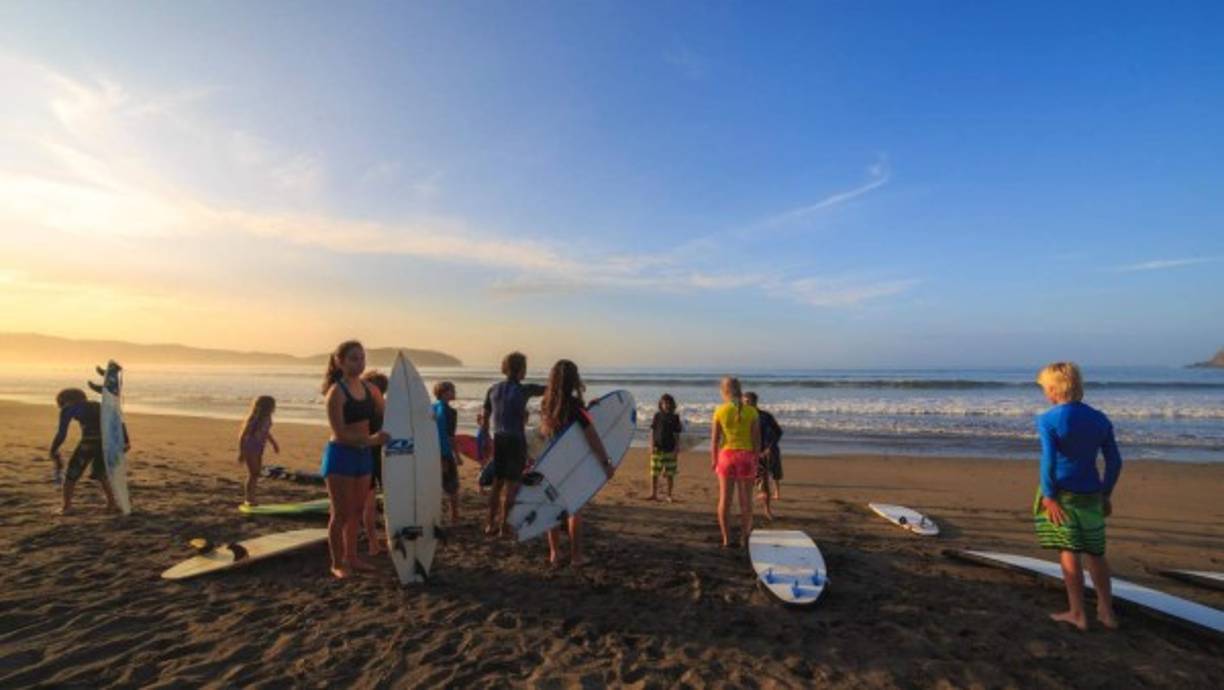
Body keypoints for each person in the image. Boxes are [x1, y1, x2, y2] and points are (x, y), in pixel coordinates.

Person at [1034, 362, 1123, 631]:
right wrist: (1105, 493)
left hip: (1062, 494)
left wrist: (1049, 496)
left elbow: (1048, 462)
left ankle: (1077, 613)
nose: (1044, 393)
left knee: (1069, 550)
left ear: (1053, 389)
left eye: (1045, 388)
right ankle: (1106, 611)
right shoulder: (1100, 419)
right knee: (1096, 553)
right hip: (1092, 493)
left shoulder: (1048, 420)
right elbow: (1115, 462)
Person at [320, 341, 388, 579]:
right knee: (340, 513)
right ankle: (337, 563)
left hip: (363, 456)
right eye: (353, 359)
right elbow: (340, 434)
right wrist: (372, 440)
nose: (359, 363)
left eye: (362, 358)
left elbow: (388, 414)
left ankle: (352, 557)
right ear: (340, 362)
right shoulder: (336, 393)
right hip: (341, 456)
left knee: (357, 511)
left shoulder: (371, 389)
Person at [539, 359, 614, 567]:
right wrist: (606, 462)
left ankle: (554, 554)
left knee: (552, 510)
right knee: (574, 509)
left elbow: (547, 432)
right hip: (571, 465)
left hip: (550, 463)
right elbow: (592, 437)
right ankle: (576, 557)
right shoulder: (575, 406)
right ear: (573, 380)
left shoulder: (546, 404)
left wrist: (588, 409)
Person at [480, 352, 546, 537]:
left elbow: (485, 418)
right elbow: (550, 389)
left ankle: (489, 524)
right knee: (512, 485)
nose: (526, 371)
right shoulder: (524, 390)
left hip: (498, 439)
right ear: (520, 369)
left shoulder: (492, 389)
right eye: (525, 368)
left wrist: (485, 439)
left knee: (497, 483)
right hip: (516, 440)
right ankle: (504, 527)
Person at [50, 388, 126, 515]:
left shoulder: (69, 409)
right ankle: (112, 504)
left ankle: (67, 506)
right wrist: (124, 441)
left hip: (88, 443)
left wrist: (54, 449)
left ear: (66, 401)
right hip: (106, 443)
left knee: (71, 473)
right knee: (101, 473)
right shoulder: (97, 405)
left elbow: (62, 433)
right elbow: (117, 422)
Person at [710, 376, 759, 548]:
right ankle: (744, 538)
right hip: (746, 457)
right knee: (746, 501)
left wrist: (714, 459)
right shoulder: (751, 411)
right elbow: (756, 440)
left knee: (725, 500)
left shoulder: (720, 411)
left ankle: (726, 538)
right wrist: (756, 459)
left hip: (726, 457)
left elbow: (715, 440)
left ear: (724, 391)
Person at [360, 370, 389, 556]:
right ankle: (387, 538)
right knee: (390, 500)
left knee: (369, 503)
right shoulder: (387, 407)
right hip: (385, 457)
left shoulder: (361, 407)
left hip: (365, 455)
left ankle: (373, 543)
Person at [743, 391, 783, 518]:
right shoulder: (742, 416)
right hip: (747, 453)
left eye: (746, 402)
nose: (744, 404)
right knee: (747, 483)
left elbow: (778, 432)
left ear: (753, 402)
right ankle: (747, 510)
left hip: (761, 454)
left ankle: (767, 510)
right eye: (743, 402)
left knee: (764, 482)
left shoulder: (765, 416)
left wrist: (769, 448)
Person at [237, 395, 279, 506]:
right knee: (253, 473)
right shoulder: (254, 419)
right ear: (267, 407)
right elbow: (243, 435)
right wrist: (241, 452)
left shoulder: (267, 418)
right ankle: (248, 499)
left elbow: (266, 432)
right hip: (249, 447)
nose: (274, 408)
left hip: (259, 448)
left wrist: (274, 443)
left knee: (256, 473)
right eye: (273, 406)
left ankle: (252, 497)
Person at [433, 381, 462, 523]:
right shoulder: (450, 412)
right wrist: (457, 456)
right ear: (444, 393)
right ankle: (454, 515)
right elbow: (451, 437)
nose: (455, 392)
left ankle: (432, 514)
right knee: (452, 486)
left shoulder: (431, 408)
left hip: (431, 453)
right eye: (452, 390)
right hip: (445, 453)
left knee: (434, 484)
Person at [648, 394, 683, 502]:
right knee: (654, 473)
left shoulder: (675, 417)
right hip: (657, 449)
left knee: (670, 474)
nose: (666, 405)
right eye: (664, 403)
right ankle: (653, 494)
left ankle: (669, 495)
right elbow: (652, 431)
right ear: (661, 404)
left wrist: (676, 449)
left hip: (670, 450)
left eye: (668, 403)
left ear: (672, 405)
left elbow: (677, 435)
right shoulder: (657, 416)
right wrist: (651, 445)